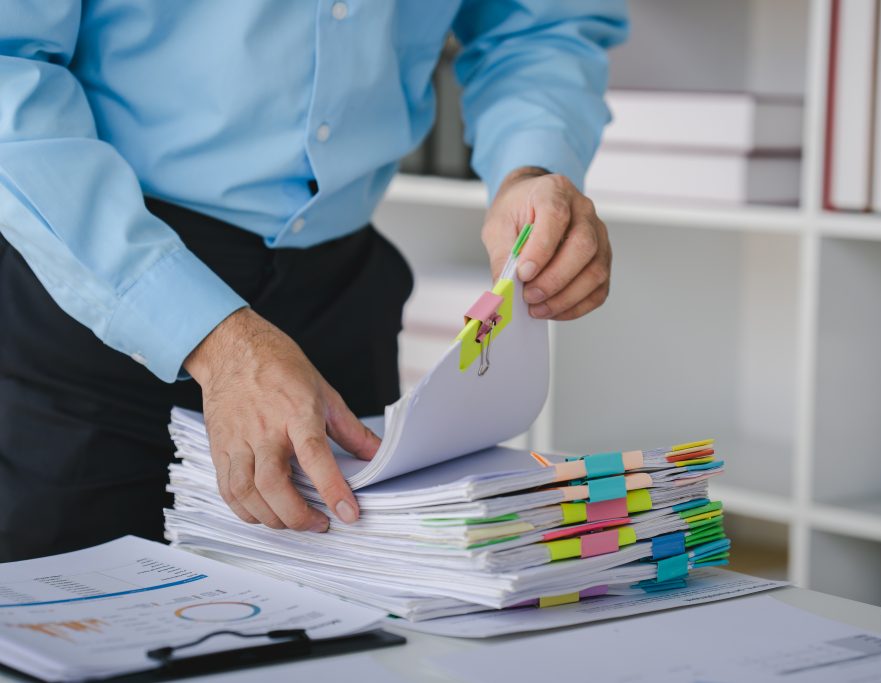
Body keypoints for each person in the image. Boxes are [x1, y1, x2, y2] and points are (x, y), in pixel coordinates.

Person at [0, 1, 628, 561]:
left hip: (342, 297)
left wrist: (530, 166)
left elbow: (542, 25)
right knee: (84, 618)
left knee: (347, 627)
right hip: (96, 284)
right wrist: (215, 341)